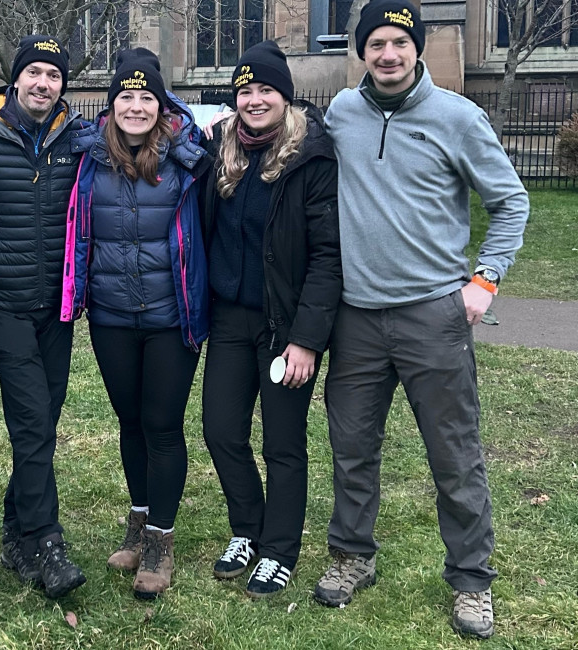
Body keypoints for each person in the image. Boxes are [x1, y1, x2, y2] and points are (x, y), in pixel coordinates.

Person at [312, 0, 529, 639]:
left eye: (399, 44)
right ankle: (352, 557)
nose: (387, 55)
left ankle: (471, 580)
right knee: (352, 449)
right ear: (361, 51)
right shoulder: (342, 114)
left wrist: (485, 280)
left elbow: (510, 201)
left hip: (433, 315)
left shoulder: (458, 118)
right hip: (356, 318)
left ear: (417, 50)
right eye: (375, 43)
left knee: (454, 455)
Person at [62, 48, 211, 599]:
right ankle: (138, 519)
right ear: (111, 105)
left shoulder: (187, 157)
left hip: (172, 316)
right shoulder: (87, 158)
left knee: (162, 426)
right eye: (125, 96)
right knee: (130, 421)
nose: (135, 106)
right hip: (110, 314)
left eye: (146, 96)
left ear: (161, 103)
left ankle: (160, 542)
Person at [199, 40, 342, 598]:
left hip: (285, 326)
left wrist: (306, 340)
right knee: (220, 430)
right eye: (245, 91)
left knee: (282, 443)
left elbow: (329, 257)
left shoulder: (313, 156)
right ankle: (248, 529)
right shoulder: (221, 151)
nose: (255, 100)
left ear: (285, 96)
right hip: (230, 318)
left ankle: (279, 549)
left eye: (265, 90)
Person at [0, 35, 87, 599]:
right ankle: (46, 540)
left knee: (45, 421)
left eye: (54, 76)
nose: (43, 83)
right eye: (34, 73)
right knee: (33, 423)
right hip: (3, 304)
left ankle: (15, 531)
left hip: (56, 307)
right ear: (15, 80)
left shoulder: (75, 137)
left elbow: (148, 131)